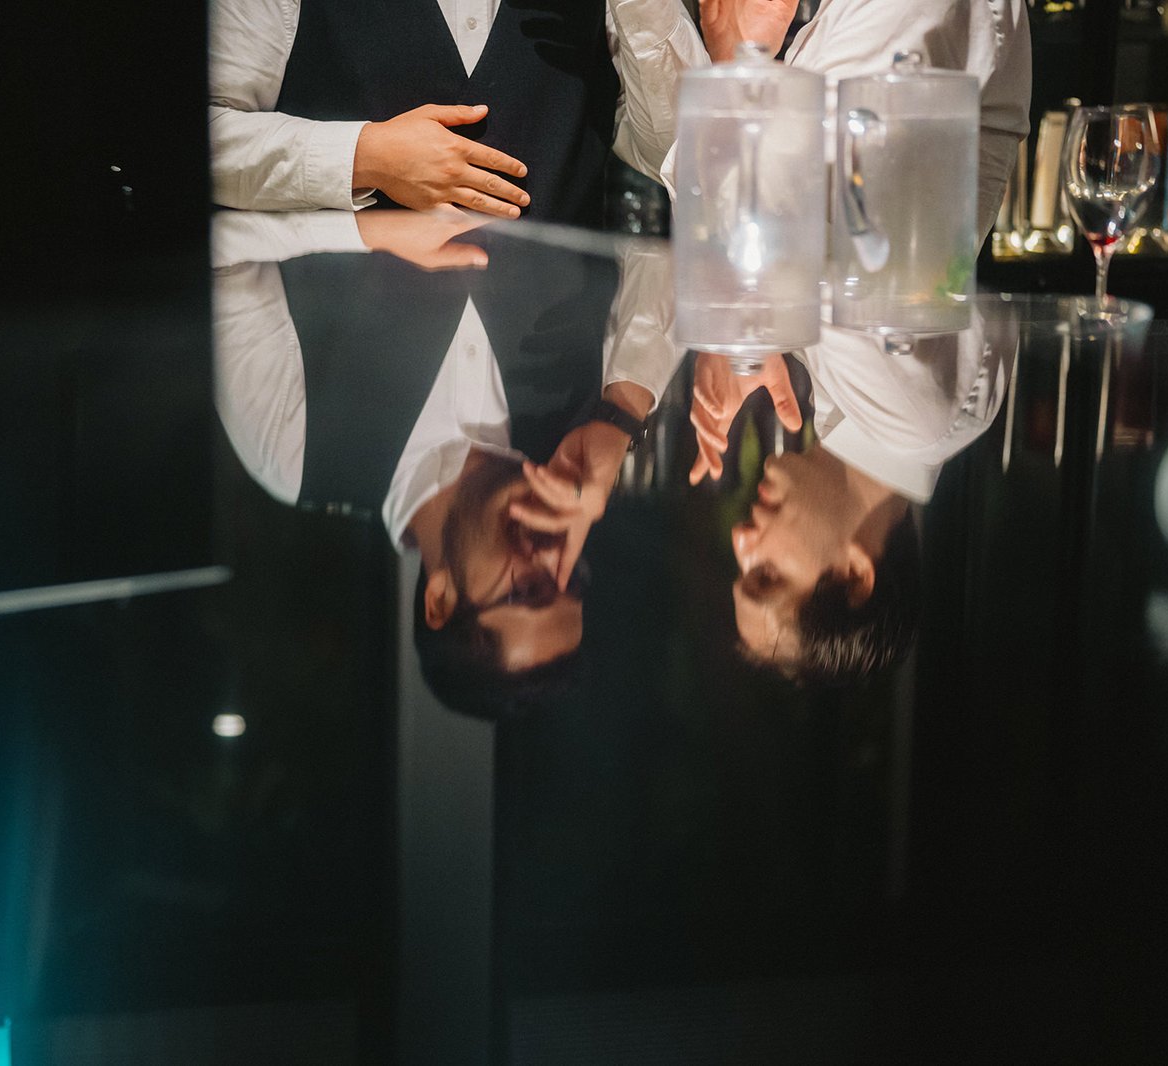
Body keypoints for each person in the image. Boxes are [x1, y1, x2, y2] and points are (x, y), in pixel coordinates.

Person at [212, 209, 683, 713]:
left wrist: (368, 226)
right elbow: (668, 228)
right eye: (572, 579)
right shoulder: (586, 431)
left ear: (440, 599)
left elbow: (213, 245)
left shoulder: (295, 454)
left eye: (528, 590)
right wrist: (623, 412)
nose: (555, 556)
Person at [690, 304, 1015, 682]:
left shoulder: (889, 423)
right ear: (854, 574)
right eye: (766, 576)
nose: (739, 539)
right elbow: (807, 276)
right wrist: (740, 327)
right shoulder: (908, 418)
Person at [209, 0, 707, 225]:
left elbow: (690, 160)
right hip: (348, 358)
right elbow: (203, 140)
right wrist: (363, 156)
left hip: (553, 386)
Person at [678, 0, 1033, 243]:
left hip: (870, 322)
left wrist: (733, 72)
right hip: (818, 320)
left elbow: (774, 207)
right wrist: (741, 69)